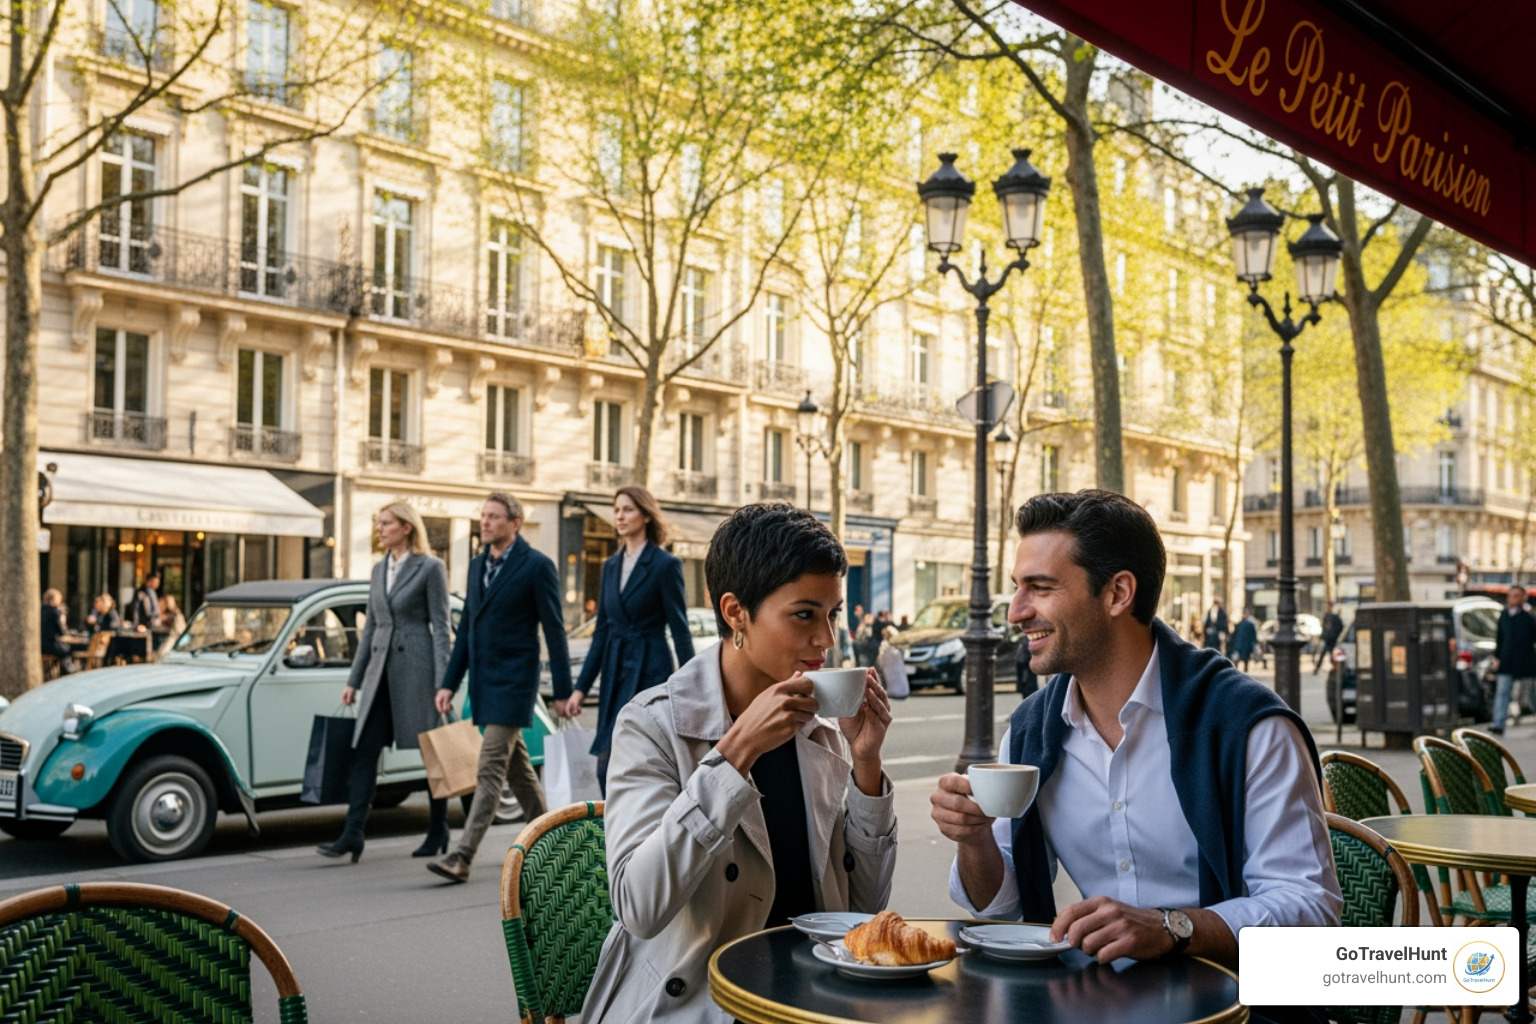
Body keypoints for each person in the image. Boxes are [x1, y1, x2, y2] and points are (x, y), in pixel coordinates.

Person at [931, 491, 1339, 1021]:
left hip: (1238, 1010)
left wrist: (1172, 927)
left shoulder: (1247, 725)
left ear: (1118, 592)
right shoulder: (1032, 729)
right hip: (1092, 1003)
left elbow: (1309, 908)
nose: (1016, 611)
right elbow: (999, 903)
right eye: (1017, 588)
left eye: (1042, 588)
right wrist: (975, 837)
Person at [582, 502, 897, 1024]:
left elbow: (860, 912)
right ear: (735, 613)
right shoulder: (653, 726)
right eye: (804, 615)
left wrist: (866, 767)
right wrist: (734, 755)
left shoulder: (817, 726)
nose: (827, 640)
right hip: (699, 1004)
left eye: (832, 613)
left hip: (812, 997)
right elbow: (639, 908)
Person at [430, 492, 572, 883]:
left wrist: (563, 691)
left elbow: (554, 631)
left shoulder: (537, 566)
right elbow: (467, 634)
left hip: (515, 682)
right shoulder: (477, 566)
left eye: (493, 517)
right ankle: (556, 844)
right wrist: (449, 683)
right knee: (520, 773)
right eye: (483, 516)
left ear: (515, 523)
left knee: (490, 766)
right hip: (484, 683)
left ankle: (462, 856)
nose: (485, 522)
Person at [318, 502, 451, 863]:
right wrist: (354, 680)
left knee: (432, 751)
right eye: (378, 523)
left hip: (418, 672)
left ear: (407, 527)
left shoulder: (431, 567)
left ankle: (439, 828)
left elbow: (442, 626)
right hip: (379, 675)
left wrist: (444, 683)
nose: (380, 529)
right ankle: (352, 833)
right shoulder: (378, 569)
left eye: (387, 523)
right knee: (364, 752)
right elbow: (372, 628)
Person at [558, 486, 695, 795]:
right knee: (606, 765)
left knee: (645, 759)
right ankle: (618, 837)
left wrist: (694, 684)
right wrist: (580, 689)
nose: (619, 515)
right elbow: (602, 633)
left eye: (628, 509)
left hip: (651, 669)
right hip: (616, 670)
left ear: (646, 515)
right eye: (616, 509)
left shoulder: (665, 565)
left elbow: (680, 629)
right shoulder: (610, 566)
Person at [1490, 583, 1535, 736]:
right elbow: (1499, 639)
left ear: (1523, 598)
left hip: (1526, 662)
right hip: (1506, 661)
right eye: (1510, 595)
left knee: (1532, 694)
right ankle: (1498, 724)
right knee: (1502, 693)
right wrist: (1497, 657)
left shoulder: (1529, 618)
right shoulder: (1504, 616)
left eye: (1516, 596)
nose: (1512, 599)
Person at [41, 589, 78, 673]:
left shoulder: (41, 611)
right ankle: (67, 670)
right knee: (67, 649)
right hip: (51, 645)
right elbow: (62, 632)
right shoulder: (55, 613)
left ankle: (59, 669)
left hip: (42, 646)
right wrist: (63, 622)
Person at [1312, 601, 1344, 674]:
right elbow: (1324, 627)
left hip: (1332, 640)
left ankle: (1335, 669)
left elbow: (1339, 627)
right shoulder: (1327, 616)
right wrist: (1323, 636)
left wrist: (1334, 635)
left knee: (1332, 655)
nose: (1327, 608)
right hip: (1327, 639)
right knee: (1324, 654)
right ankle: (1317, 669)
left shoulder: (1335, 617)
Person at [1228, 606, 1258, 673]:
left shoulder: (1250, 625)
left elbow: (1253, 636)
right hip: (1240, 644)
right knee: (1238, 659)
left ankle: (1244, 670)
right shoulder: (1239, 624)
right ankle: (1238, 670)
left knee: (1245, 659)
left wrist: (1254, 644)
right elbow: (1235, 635)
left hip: (1246, 644)